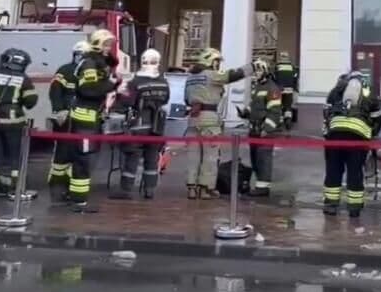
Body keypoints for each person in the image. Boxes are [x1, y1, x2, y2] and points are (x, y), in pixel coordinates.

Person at [184, 48, 249, 199]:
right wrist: (251, 67)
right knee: (210, 155)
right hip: (209, 118)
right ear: (210, 61)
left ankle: (191, 188)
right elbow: (232, 75)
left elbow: (186, 100)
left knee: (193, 156)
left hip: (193, 119)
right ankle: (205, 188)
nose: (218, 65)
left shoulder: (190, 77)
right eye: (217, 62)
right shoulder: (212, 75)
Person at [0, 48, 39, 198]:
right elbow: (31, 101)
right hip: (14, 122)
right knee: (15, 155)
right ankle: (16, 187)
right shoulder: (24, 79)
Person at [65, 28, 117, 212]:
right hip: (84, 120)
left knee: (85, 160)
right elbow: (89, 89)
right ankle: (78, 201)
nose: (109, 47)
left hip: (91, 118)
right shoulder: (89, 64)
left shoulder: (96, 62)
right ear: (97, 44)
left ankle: (77, 198)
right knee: (83, 160)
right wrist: (112, 84)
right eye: (107, 44)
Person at [112, 48, 170, 200]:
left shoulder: (135, 81)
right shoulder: (163, 82)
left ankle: (126, 190)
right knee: (152, 159)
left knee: (132, 158)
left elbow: (125, 102)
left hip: (137, 126)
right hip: (157, 127)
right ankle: (149, 189)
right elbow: (165, 100)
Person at [322, 70, 381, 218]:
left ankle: (331, 204)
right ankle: (354, 207)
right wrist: (371, 135)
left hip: (335, 134)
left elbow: (326, 113)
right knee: (355, 170)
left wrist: (329, 132)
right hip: (358, 136)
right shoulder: (371, 93)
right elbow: (377, 121)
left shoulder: (337, 90)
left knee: (333, 169)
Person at [46, 40, 88, 193]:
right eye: (79, 54)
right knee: (63, 147)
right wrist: (59, 110)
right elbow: (55, 91)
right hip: (66, 117)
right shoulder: (65, 70)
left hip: (81, 117)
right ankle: (58, 179)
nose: (80, 57)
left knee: (77, 148)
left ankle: (68, 178)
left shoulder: (88, 72)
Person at [244, 59, 283, 197]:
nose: (256, 74)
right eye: (255, 71)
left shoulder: (272, 88)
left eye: (259, 71)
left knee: (263, 159)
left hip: (264, 131)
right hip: (254, 130)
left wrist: (266, 128)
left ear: (266, 72)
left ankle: (263, 187)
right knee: (255, 159)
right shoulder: (258, 87)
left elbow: (275, 111)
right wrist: (245, 112)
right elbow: (253, 105)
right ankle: (259, 183)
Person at [273, 52, 300, 127]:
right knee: (288, 105)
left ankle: (280, 121)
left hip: (279, 89)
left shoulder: (277, 67)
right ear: (288, 57)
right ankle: (288, 120)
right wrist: (295, 88)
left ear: (281, 57)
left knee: (279, 105)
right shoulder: (292, 67)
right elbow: (295, 78)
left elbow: (274, 78)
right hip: (289, 89)